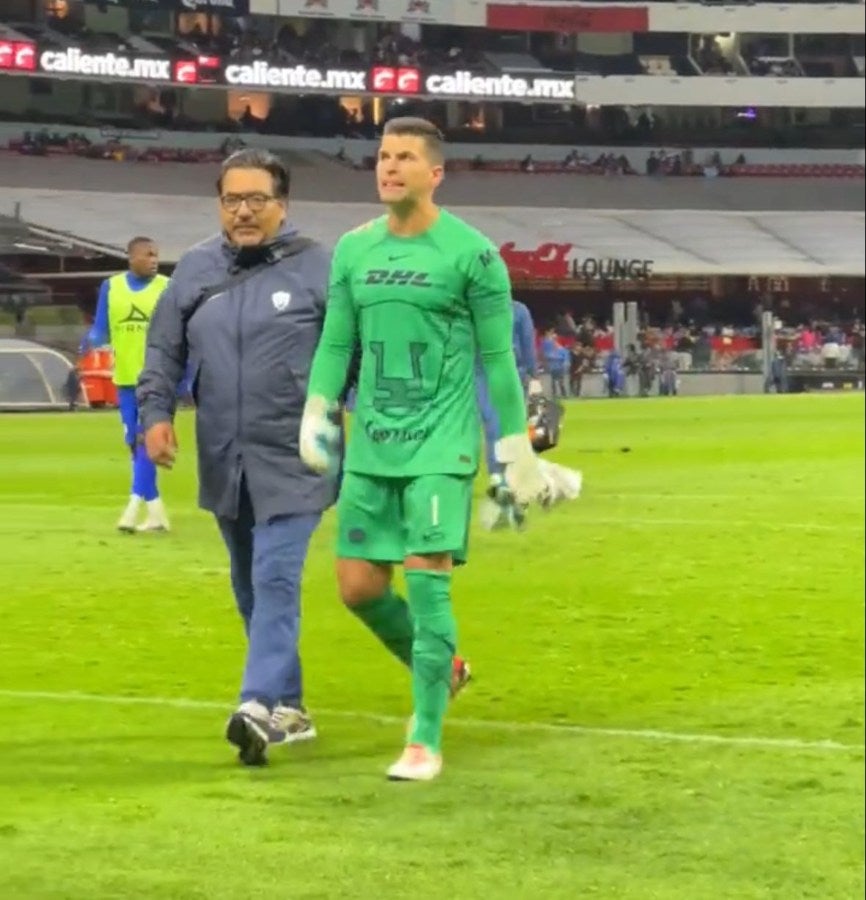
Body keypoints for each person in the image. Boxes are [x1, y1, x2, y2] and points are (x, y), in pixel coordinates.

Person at [297, 117, 549, 782]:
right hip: (373, 444)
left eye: (405, 157)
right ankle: (448, 670)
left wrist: (514, 445)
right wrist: (319, 408)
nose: (390, 166)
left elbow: (498, 359)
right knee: (356, 588)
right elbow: (335, 342)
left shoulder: (472, 254)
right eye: (383, 155)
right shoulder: (353, 250)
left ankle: (424, 739)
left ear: (435, 173)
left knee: (427, 584)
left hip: (440, 444)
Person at [137, 149, 337, 766]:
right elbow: (163, 352)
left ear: (284, 204)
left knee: (277, 575)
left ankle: (255, 704)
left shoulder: (320, 268)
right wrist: (156, 416)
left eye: (257, 199)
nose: (244, 212)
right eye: (232, 200)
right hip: (225, 454)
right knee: (250, 586)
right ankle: (292, 707)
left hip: (298, 456)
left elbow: (353, 352)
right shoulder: (195, 269)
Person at [82, 237, 170, 533]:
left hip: (157, 380)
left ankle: (133, 507)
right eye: (149, 255)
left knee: (147, 441)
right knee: (134, 443)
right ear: (131, 257)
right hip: (125, 379)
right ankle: (156, 513)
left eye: (157, 255)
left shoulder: (166, 287)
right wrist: (91, 342)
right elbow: (100, 327)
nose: (155, 259)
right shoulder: (112, 287)